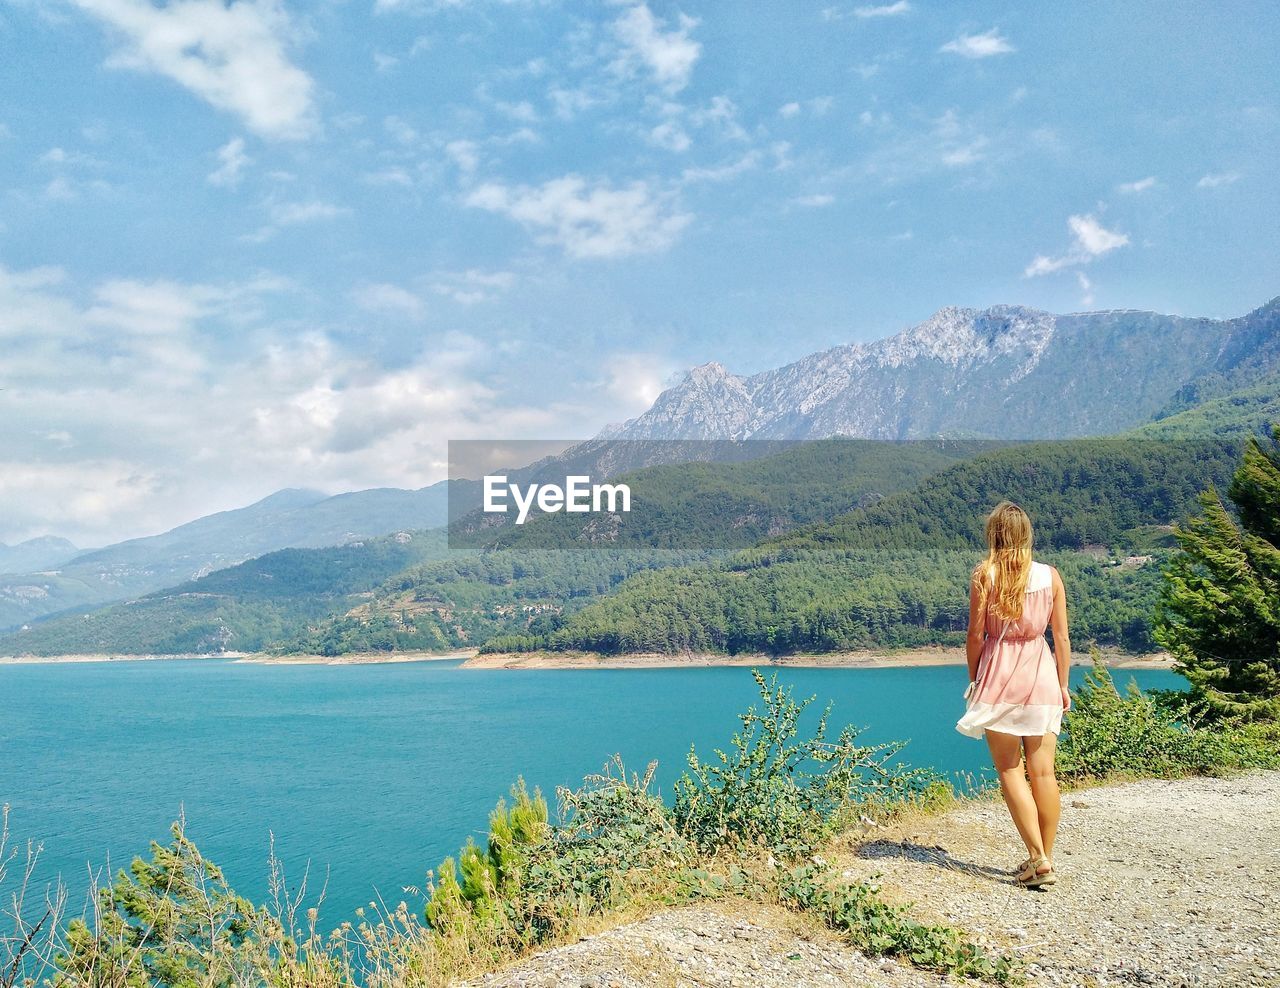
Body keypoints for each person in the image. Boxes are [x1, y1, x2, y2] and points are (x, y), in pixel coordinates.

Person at [956, 500, 1070, 889]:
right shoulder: (1050, 576)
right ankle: (1045, 859)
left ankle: (1037, 858)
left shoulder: (983, 576)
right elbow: (1062, 637)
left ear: (995, 535)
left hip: (1000, 677)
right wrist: (1064, 683)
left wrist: (974, 680)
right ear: (1026, 535)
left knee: (1009, 770)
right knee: (1043, 772)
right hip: (1042, 675)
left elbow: (975, 635)